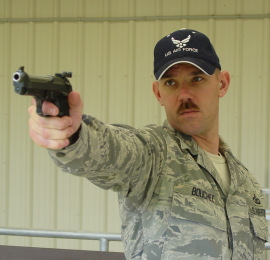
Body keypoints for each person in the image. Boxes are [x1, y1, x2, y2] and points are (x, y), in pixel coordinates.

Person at [28, 29, 267, 259]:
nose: (184, 94)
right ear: (158, 93)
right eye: (171, 83)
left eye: (197, 79)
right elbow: (112, 149)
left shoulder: (247, 184)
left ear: (222, 84)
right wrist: (73, 135)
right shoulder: (154, 154)